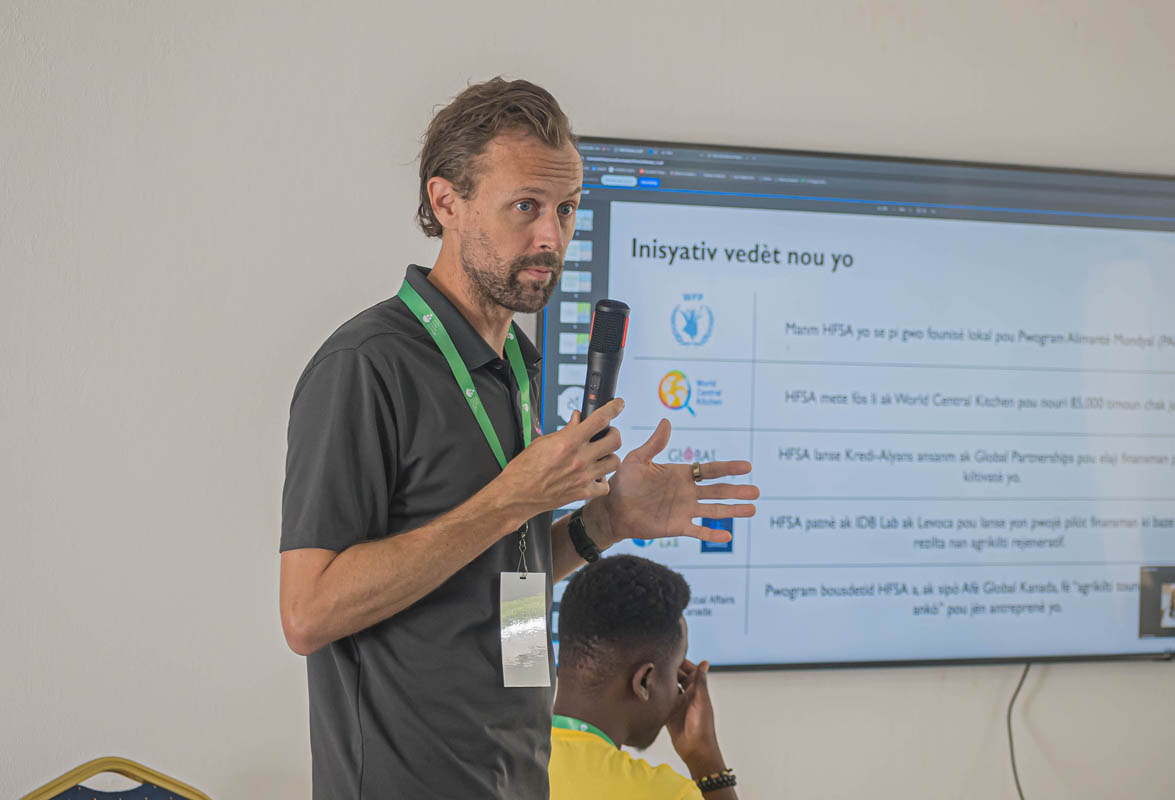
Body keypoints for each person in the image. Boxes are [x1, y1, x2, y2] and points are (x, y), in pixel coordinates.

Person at [278, 77, 759, 799]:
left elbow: (502, 580)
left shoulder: (516, 368)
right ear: (447, 202)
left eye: (565, 209)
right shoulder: (367, 366)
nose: (550, 238)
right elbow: (307, 614)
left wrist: (606, 521)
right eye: (525, 206)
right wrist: (509, 500)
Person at [549, 555, 738, 800]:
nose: (678, 690)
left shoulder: (505, 758)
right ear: (644, 682)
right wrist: (705, 760)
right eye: (676, 670)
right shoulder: (667, 794)